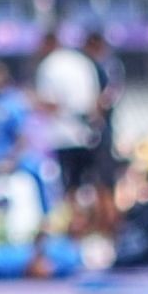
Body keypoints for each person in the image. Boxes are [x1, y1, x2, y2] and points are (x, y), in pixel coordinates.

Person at [33, 28, 100, 222]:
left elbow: (49, 104)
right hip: (88, 133)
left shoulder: (49, 66)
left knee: (69, 189)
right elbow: (95, 102)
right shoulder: (82, 62)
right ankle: (95, 227)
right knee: (92, 186)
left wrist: (31, 102)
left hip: (64, 135)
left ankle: (75, 229)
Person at [82, 28, 125, 232]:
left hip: (101, 133)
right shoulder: (88, 65)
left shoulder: (107, 66)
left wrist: (91, 111)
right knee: (92, 185)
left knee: (105, 185)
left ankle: (110, 229)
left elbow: (107, 99)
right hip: (89, 134)